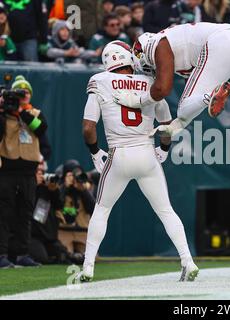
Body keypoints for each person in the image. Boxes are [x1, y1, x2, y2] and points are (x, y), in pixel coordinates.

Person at [75, 40, 198, 283]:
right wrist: (163, 148)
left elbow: (88, 127)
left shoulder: (99, 82)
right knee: (165, 211)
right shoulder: (150, 82)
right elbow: (166, 124)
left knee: (101, 210)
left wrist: (94, 151)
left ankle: (88, 267)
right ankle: (188, 260)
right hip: (146, 153)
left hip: (118, 153)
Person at [0, 75, 48, 268]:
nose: (22, 96)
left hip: (28, 172)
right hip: (7, 171)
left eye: (25, 92)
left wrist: (22, 112)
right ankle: (2, 254)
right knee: (3, 214)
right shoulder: (3, 116)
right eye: (18, 92)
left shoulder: (35, 113)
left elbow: (41, 129)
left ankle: (22, 254)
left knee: (25, 214)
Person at [58, 160, 95, 257]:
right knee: (66, 255)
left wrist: (83, 190)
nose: (76, 178)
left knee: (89, 257)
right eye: (72, 175)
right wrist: (65, 187)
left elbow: (93, 209)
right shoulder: (59, 187)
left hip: (82, 231)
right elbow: (57, 204)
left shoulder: (86, 187)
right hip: (64, 231)